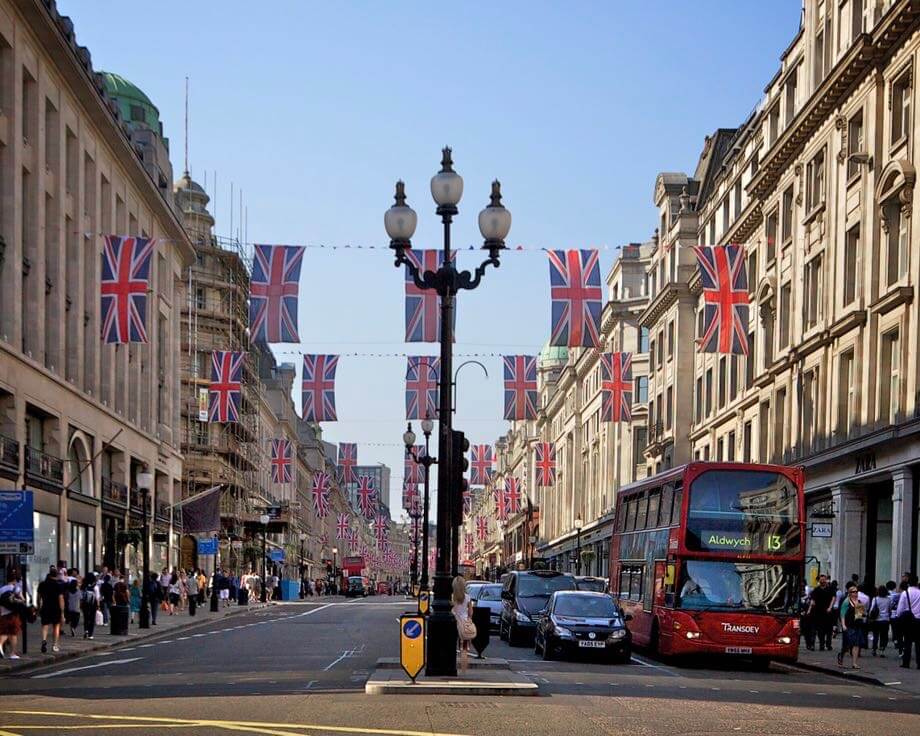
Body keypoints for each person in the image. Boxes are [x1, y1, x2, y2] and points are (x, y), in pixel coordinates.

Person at [838, 584, 866, 669]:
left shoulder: (859, 602)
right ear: (850, 593)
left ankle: (854, 663)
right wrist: (843, 625)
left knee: (856, 644)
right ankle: (841, 655)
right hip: (849, 625)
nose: (856, 593)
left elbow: (859, 615)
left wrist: (863, 615)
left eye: (857, 591)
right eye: (854, 592)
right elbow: (842, 614)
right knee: (847, 645)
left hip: (857, 625)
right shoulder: (846, 602)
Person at [37, 567, 64, 653]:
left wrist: (39, 606)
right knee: (56, 626)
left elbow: (38, 597)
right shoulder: (58, 585)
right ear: (56, 575)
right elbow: (61, 599)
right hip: (56, 608)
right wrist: (62, 612)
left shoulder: (42, 584)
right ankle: (55, 645)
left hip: (45, 607)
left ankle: (44, 640)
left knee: (45, 625)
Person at [451, 576, 475, 671]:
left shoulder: (452, 597)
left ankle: (452, 665)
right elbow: (470, 612)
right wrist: (469, 619)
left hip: (454, 622)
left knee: (452, 645)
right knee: (464, 648)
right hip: (464, 623)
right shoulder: (468, 597)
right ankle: (464, 668)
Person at [896, 574, 920, 669]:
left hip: (908, 620)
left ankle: (906, 662)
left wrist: (899, 617)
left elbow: (900, 609)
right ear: (917, 582)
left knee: (907, 642)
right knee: (919, 643)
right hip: (919, 620)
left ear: (908, 582)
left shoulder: (905, 593)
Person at [805, 574, 835, 651]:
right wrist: (809, 610)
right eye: (821, 580)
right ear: (819, 581)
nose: (822, 581)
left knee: (825, 629)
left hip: (827, 612)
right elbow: (812, 600)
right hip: (817, 611)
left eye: (823, 579)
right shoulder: (816, 589)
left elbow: (833, 598)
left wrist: (830, 607)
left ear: (826, 580)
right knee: (816, 629)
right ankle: (814, 645)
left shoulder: (830, 589)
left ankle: (824, 644)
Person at [0, 571, 25, 659]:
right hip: (13, 614)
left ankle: (0, 645)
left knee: (4, 632)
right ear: (14, 580)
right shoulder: (16, 589)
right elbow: (22, 600)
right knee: (13, 633)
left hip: (3, 614)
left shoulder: (2, 589)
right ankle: (13, 653)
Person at [869, 584, 893, 657]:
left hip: (876, 620)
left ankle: (874, 649)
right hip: (885, 620)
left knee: (876, 635)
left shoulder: (875, 599)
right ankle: (882, 650)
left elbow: (871, 610)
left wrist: (870, 617)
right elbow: (890, 609)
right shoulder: (888, 599)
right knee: (884, 635)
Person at [79, 573, 98, 639]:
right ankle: (90, 634)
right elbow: (97, 596)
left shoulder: (83, 586)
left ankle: (86, 630)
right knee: (92, 618)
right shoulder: (95, 586)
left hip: (85, 603)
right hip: (93, 603)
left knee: (86, 617)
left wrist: (81, 603)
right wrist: (98, 605)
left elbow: (80, 595)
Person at [64, 573, 81, 637]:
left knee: (71, 618)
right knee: (76, 620)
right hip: (77, 608)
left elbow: (66, 598)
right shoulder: (78, 591)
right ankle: (73, 627)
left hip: (70, 608)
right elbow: (81, 598)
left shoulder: (68, 591)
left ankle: (71, 626)